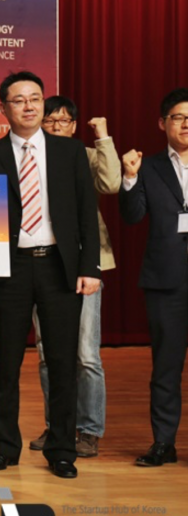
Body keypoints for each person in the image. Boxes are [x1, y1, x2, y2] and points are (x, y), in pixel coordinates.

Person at [0, 71, 100, 480]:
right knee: (6, 363)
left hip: (59, 265)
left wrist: (90, 267)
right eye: (19, 100)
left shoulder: (69, 151)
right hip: (12, 267)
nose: (29, 106)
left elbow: (86, 212)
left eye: (35, 98)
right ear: (4, 108)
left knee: (62, 362)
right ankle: (4, 448)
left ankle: (62, 449)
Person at [27, 96, 120, 458]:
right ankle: (57, 426)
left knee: (85, 354)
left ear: (74, 126)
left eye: (63, 121)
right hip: (45, 263)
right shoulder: (31, 156)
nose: (56, 127)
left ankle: (90, 429)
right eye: (50, 121)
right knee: (47, 353)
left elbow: (111, 183)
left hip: (85, 264)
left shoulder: (85, 154)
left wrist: (103, 137)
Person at [119, 87, 188, 469]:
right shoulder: (148, 166)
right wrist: (130, 178)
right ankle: (164, 443)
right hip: (166, 281)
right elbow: (132, 216)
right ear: (163, 123)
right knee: (166, 367)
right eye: (178, 117)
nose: (186, 123)